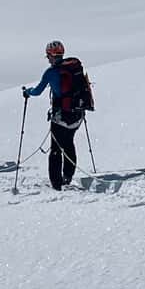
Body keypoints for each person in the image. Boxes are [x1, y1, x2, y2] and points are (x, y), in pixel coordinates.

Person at [23, 41, 92, 189]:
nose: (48, 59)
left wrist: (27, 92)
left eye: (48, 56)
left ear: (51, 55)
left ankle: (56, 183)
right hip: (76, 115)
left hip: (60, 117)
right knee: (69, 144)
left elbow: (37, 91)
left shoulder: (51, 72)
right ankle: (68, 176)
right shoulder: (74, 67)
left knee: (56, 149)